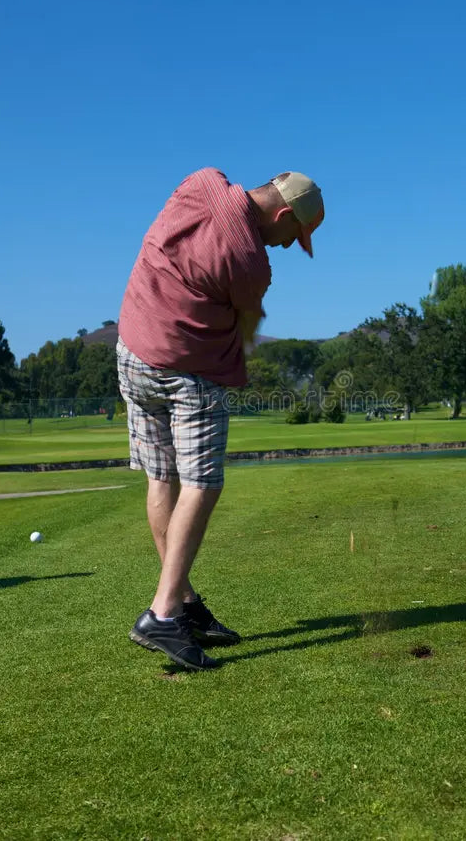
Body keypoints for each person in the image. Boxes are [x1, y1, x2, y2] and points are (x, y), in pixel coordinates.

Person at [117, 167, 324, 671]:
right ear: (280, 215)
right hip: (187, 373)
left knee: (161, 476)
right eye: (291, 236)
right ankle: (163, 614)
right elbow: (247, 326)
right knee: (202, 483)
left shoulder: (200, 181)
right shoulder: (252, 263)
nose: (284, 246)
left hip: (132, 351)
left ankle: (184, 602)